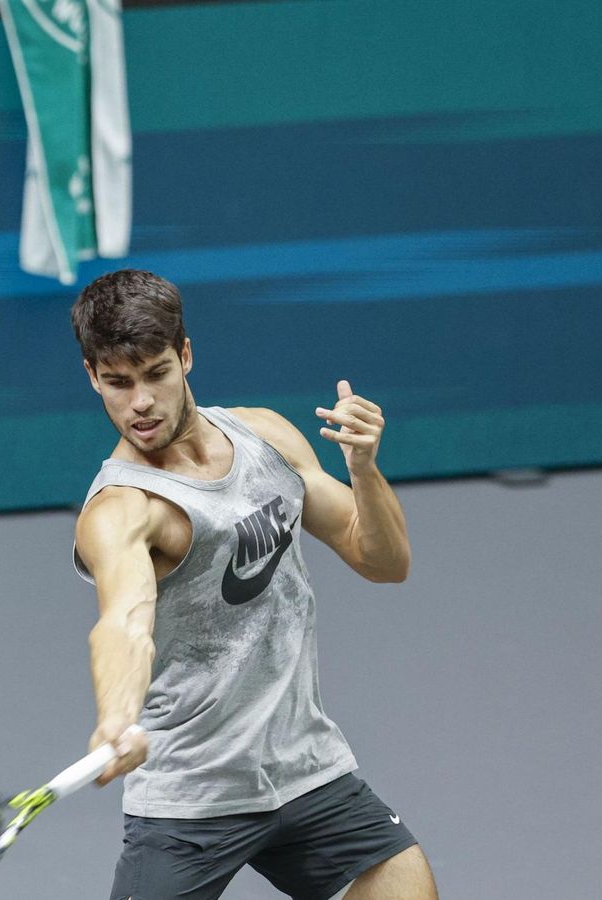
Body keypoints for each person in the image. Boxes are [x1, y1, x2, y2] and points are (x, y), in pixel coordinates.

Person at [69, 270, 436, 899]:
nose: (141, 403)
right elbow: (125, 621)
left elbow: (384, 561)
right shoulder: (122, 508)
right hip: (193, 794)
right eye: (118, 383)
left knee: (404, 885)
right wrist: (118, 717)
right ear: (92, 377)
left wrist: (364, 469)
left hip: (303, 766)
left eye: (156, 373)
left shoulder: (264, 434)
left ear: (185, 355)